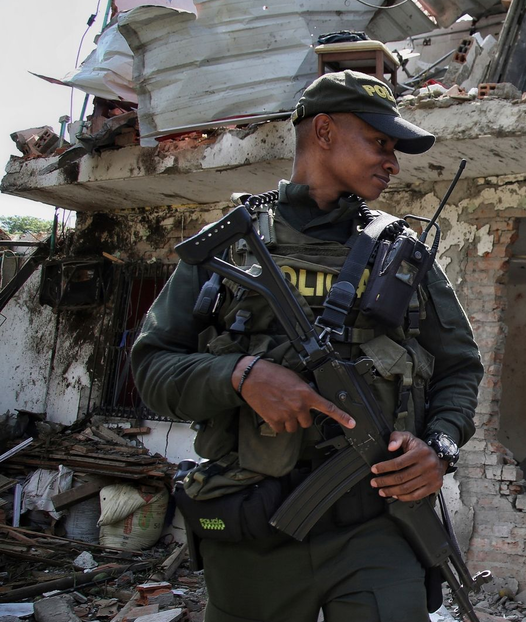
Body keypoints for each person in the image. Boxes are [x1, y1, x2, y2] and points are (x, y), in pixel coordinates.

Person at [132, 70, 484, 622]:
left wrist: (439, 448)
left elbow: (459, 368)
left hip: (377, 525)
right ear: (323, 131)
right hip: (252, 526)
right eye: (380, 143)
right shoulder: (230, 247)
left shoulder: (402, 255)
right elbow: (152, 369)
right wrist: (241, 376)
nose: (393, 162)